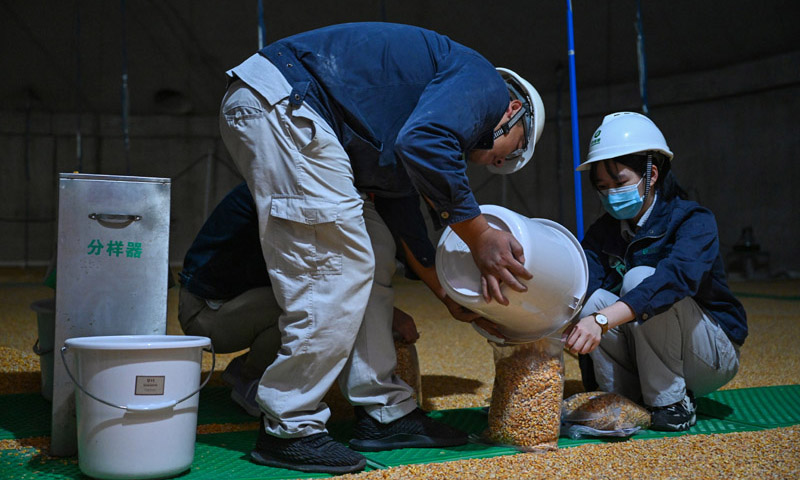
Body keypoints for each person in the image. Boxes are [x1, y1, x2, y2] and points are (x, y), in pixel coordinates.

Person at [218, 22, 545, 474]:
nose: (498, 162)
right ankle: (289, 425)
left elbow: (403, 215)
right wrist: (480, 235)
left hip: (295, 110)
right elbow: (427, 142)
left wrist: (448, 296)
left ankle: (385, 412)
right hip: (284, 103)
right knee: (334, 265)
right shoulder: (483, 82)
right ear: (514, 110)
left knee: (371, 244)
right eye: (511, 151)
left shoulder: (407, 121)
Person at [563, 112, 747, 432]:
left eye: (619, 182)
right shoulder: (603, 232)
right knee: (590, 302)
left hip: (709, 353)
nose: (610, 194)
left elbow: (673, 280)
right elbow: (581, 283)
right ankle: (618, 399)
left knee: (641, 280)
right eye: (602, 187)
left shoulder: (692, 220)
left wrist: (603, 320)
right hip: (647, 353)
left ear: (652, 174)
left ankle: (671, 403)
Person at [178, 182, 421, 417]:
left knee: (322, 300)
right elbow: (311, 277)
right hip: (206, 313)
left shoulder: (296, 185)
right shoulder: (287, 194)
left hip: (238, 301)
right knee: (315, 304)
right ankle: (253, 379)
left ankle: (247, 367)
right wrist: (388, 312)